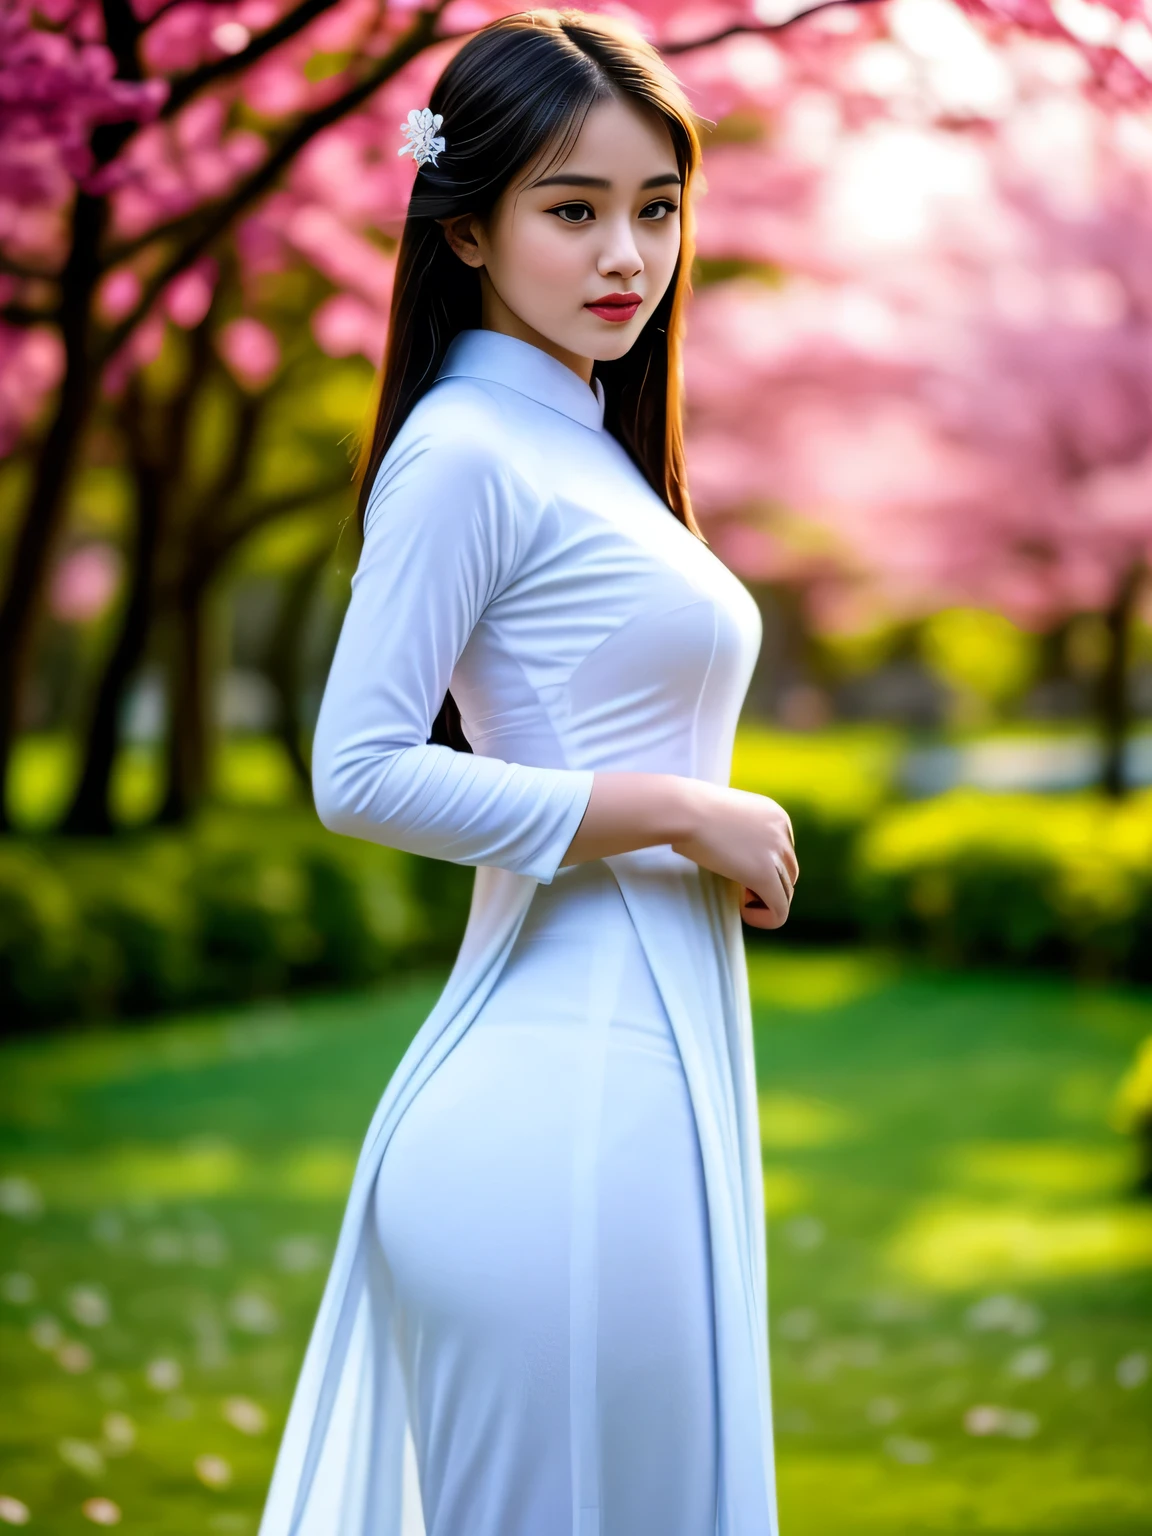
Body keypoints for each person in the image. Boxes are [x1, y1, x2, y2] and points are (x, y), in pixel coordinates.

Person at [258, 10, 799, 1536]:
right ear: (472, 227)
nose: (628, 252)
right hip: (560, 1118)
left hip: (633, 1087)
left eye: (657, 206)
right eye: (575, 209)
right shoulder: (469, 450)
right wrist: (677, 810)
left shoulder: (582, 439)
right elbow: (358, 769)